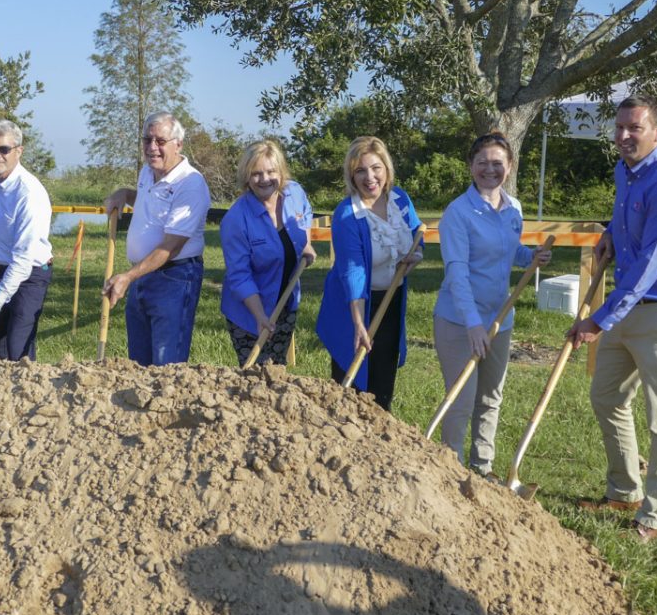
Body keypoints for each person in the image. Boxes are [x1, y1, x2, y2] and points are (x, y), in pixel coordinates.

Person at [569, 94, 657, 542]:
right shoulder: (625, 172)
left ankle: (655, 514)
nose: (625, 136)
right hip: (629, 307)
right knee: (606, 395)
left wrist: (597, 319)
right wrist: (612, 233)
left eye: (635, 128)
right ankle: (623, 490)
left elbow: (652, 264)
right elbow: (630, 220)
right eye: (621, 128)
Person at [433, 133, 551, 475]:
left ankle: (482, 468)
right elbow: (457, 272)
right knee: (461, 401)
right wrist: (472, 324)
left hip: (500, 318)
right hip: (459, 321)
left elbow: (509, 249)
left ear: (509, 167)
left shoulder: (513, 208)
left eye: (497, 163)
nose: (490, 169)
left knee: (490, 399)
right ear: (471, 166)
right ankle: (449, 471)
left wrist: (531, 256)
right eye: (482, 162)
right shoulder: (458, 214)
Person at [316, 136, 423, 411]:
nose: (369, 177)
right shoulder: (347, 215)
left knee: (382, 378)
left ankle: (379, 441)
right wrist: (358, 323)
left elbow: (416, 233)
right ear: (351, 175)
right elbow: (353, 271)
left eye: (376, 168)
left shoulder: (400, 199)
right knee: (351, 385)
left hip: (391, 298)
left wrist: (415, 256)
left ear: (386, 168)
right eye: (360, 170)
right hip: (352, 306)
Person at [103, 112, 211, 366]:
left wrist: (127, 277)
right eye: (147, 140)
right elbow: (145, 200)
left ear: (178, 144)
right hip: (142, 275)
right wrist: (123, 194)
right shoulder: (148, 172)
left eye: (160, 141)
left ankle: (166, 406)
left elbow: (170, 247)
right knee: (139, 360)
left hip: (174, 278)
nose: (152, 148)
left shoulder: (190, 184)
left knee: (166, 363)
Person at [220, 140, 317, 365]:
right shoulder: (236, 220)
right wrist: (259, 316)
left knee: (278, 369)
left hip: (286, 302)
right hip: (248, 313)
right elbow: (240, 275)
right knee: (255, 378)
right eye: (256, 173)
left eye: (271, 171)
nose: (265, 179)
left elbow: (305, 215)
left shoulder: (295, 193)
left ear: (281, 171)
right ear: (246, 177)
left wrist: (305, 243)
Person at [0, 119, 53, 361]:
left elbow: (23, 262)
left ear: (19, 151)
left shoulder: (29, 195)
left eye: (4, 149)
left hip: (31, 274)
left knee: (18, 351)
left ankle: (29, 396)